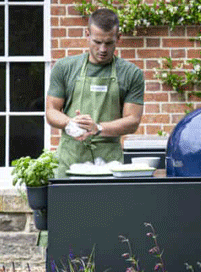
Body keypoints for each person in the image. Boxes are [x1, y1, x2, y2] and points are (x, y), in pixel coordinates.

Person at [46, 8, 144, 178]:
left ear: (118, 38)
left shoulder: (131, 73)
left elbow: (132, 121)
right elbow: (51, 111)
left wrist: (98, 128)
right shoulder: (64, 68)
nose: (103, 49)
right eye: (97, 42)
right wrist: (70, 124)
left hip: (110, 165)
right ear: (87, 35)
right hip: (69, 162)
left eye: (109, 42)